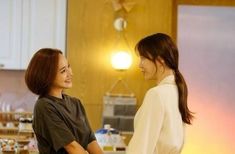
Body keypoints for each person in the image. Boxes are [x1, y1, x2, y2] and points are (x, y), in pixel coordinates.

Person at [25, 48, 103, 154]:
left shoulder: (76, 103)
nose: (70, 73)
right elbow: (72, 148)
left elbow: (91, 142)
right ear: (47, 75)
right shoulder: (44, 106)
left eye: (69, 67)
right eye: (63, 71)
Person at [126, 33, 193, 154]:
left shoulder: (157, 94)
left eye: (143, 58)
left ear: (160, 60)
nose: (139, 65)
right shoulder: (177, 91)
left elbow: (141, 146)